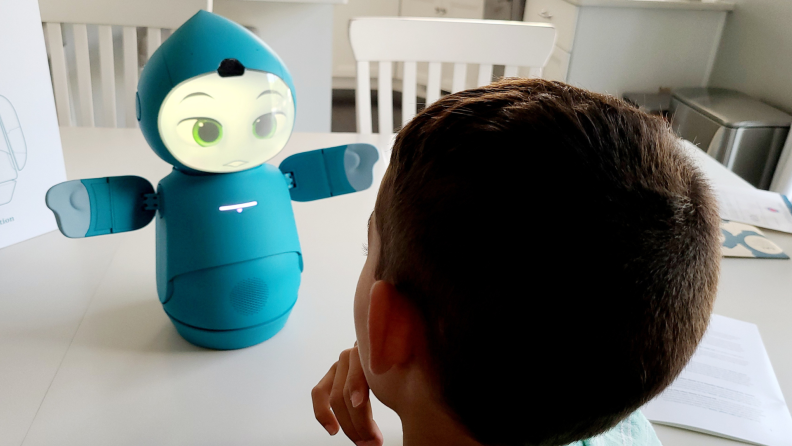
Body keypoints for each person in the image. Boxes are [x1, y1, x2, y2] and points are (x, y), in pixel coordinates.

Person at [311, 78, 721, 446]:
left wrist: (399, 354)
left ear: (389, 327)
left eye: (370, 251)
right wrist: (406, 353)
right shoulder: (614, 418)